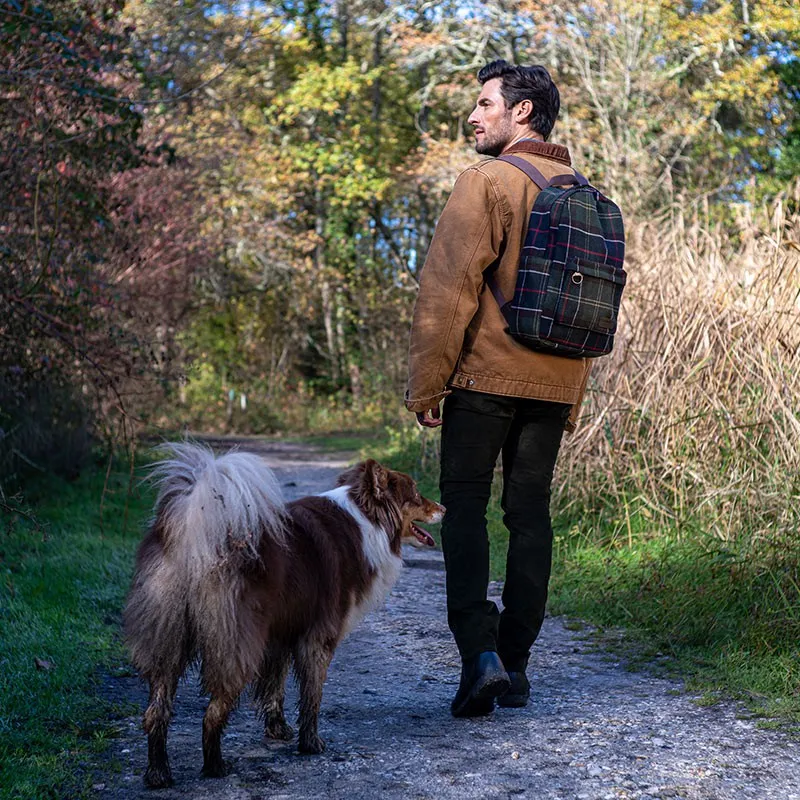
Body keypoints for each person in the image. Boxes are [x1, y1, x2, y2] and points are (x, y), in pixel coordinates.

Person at [405, 59, 590, 717]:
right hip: (557, 382)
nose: (473, 115)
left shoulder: (486, 181)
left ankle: (480, 657)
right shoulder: (586, 192)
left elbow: (448, 288)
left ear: (522, 113)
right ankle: (515, 664)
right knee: (530, 514)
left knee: (465, 505)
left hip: (485, 374)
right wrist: (571, 394)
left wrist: (428, 381)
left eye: (485, 104)